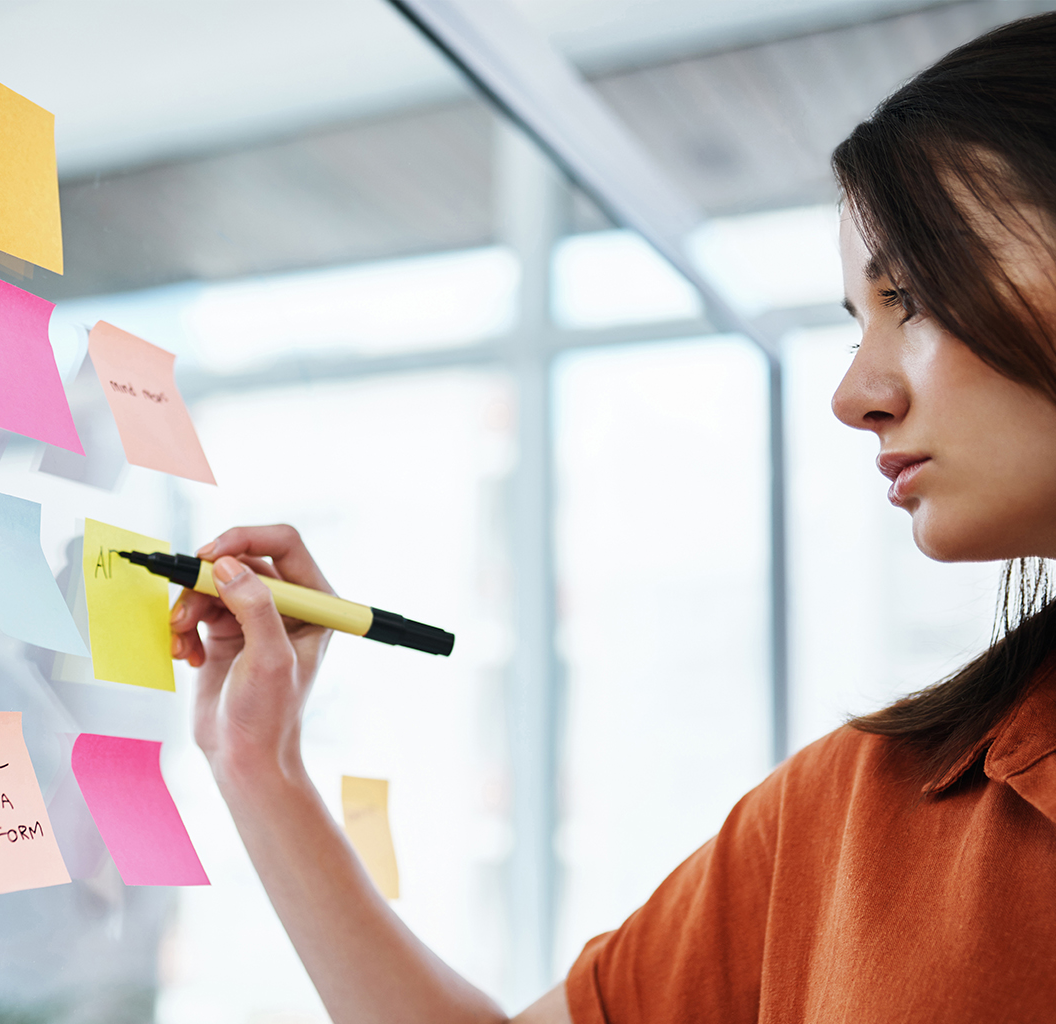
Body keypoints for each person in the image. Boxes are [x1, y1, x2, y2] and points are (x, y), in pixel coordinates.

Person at [165, 13, 1056, 1024]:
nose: (855, 394)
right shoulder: (854, 814)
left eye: (916, 296)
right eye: (860, 318)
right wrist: (258, 763)